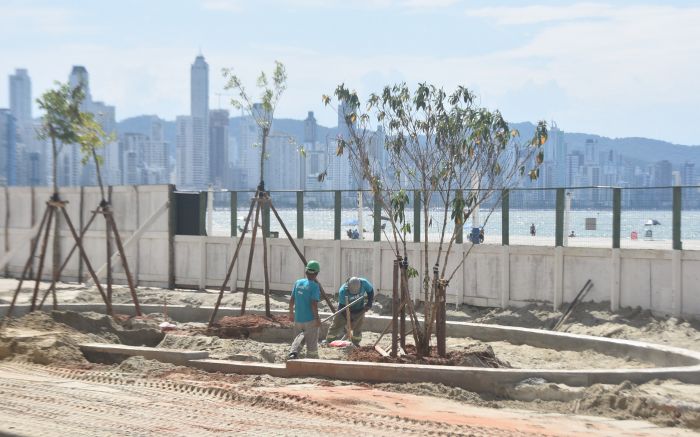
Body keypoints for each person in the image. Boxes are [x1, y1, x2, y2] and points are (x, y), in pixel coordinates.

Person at [325, 277, 374, 346]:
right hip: (344, 309)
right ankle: (330, 341)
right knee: (336, 324)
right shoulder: (343, 291)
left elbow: (370, 291)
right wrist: (350, 319)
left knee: (358, 327)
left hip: (359, 309)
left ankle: (356, 343)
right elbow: (342, 307)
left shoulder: (364, 283)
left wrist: (369, 303)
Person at [288, 260, 322, 360]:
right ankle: (313, 360)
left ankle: (293, 354)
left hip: (298, 319)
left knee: (298, 339)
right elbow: (313, 304)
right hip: (310, 320)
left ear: (306, 272)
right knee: (312, 344)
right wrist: (317, 318)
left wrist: (291, 314)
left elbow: (291, 300)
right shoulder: (315, 286)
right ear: (316, 273)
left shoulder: (298, 283)